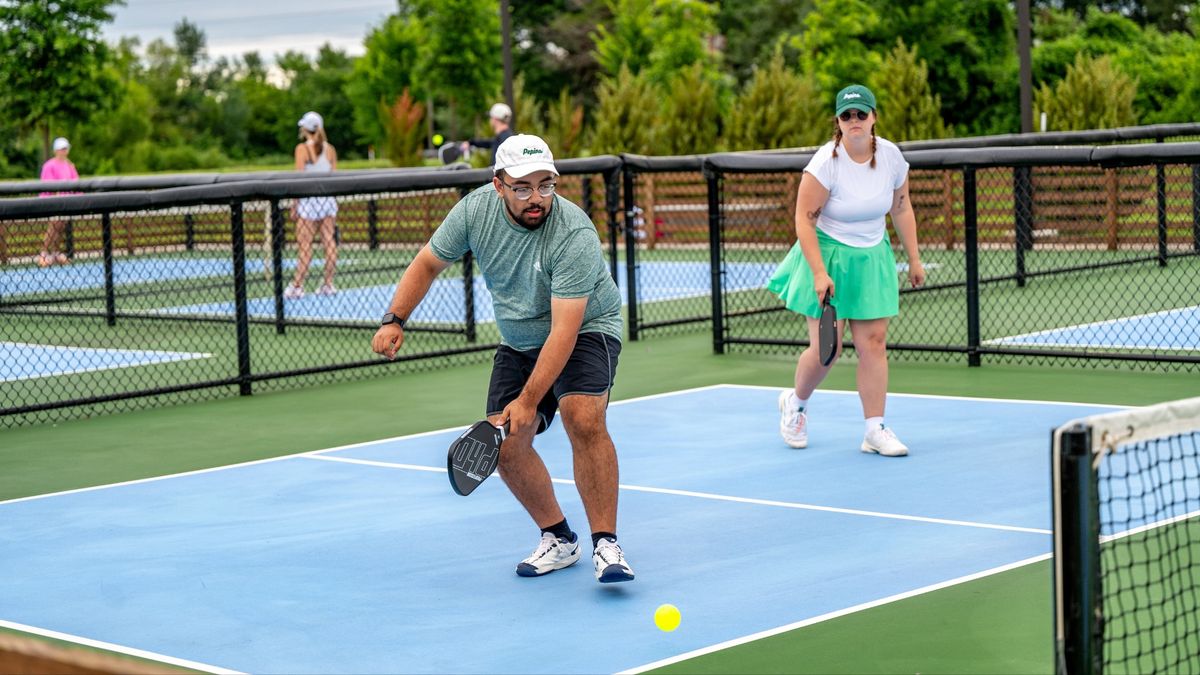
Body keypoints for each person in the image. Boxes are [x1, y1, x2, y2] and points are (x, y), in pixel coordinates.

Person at [371, 134, 635, 584]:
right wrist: (395, 318)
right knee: (507, 444)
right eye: (523, 187)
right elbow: (427, 263)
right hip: (518, 339)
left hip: (587, 328)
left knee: (582, 417)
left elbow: (564, 332)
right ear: (498, 185)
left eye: (545, 185)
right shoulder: (474, 212)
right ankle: (559, 538)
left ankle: (606, 544)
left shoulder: (574, 232)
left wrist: (531, 400)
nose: (537, 198)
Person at [766, 84, 925, 457]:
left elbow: (901, 207)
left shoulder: (890, 157)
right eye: (846, 116)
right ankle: (796, 404)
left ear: (874, 117)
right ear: (838, 122)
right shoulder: (825, 163)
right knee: (828, 349)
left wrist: (914, 258)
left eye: (861, 114)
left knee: (874, 344)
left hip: (872, 255)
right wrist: (820, 273)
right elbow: (804, 221)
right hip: (828, 253)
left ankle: (874, 429)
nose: (855, 121)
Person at [284, 111, 339, 299]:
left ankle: (298, 286)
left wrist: (294, 204)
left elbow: (299, 178)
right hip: (328, 199)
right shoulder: (330, 148)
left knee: (305, 245)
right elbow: (335, 175)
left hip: (308, 200)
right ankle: (328, 284)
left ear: (305, 129)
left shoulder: (302, 149)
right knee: (329, 242)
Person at [36, 137, 80, 267]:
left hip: (66, 203)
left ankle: (55, 253)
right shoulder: (49, 165)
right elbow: (47, 186)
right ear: (56, 150)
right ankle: (43, 254)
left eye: (65, 148)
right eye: (61, 149)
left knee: (60, 227)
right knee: (53, 226)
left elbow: (76, 182)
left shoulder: (69, 165)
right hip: (53, 202)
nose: (64, 151)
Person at [462, 102, 514, 167]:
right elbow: (488, 143)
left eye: (491, 117)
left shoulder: (502, 140)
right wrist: (470, 142)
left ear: (495, 119)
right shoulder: (506, 138)